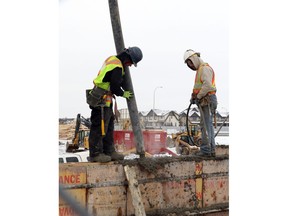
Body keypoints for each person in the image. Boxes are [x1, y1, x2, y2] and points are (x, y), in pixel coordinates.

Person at [86, 46, 143, 162]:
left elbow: (113, 81)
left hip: (104, 99)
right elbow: (115, 87)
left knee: (108, 127)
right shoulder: (117, 66)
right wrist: (123, 93)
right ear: (128, 59)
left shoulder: (112, 59)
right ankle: (95, 154)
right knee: (99, 127)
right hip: (100, 99)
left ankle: (109, 151)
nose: (130, 65)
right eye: (131, 63)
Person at [183, 49, 218, 157]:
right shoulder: (200, 70)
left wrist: (198, 96)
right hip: (204, 100)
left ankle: (207, 150)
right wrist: (194, 97)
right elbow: (200, 86)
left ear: (194, 59)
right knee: (206, 125)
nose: (190, 66)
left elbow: (207, 85)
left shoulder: (204, 69)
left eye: (190, 63)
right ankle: (209, 149)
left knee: (206, 126)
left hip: (207, 100)